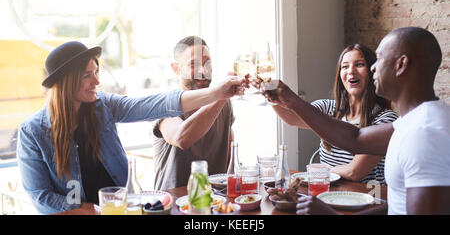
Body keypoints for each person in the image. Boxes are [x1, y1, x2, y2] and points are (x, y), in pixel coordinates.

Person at [16, 41, 246, 214]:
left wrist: (217, 93)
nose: (96, 81)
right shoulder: (32, 132)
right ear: (66, 83)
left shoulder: (102, 105)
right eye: (88, 75)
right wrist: (92, 209)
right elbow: (41, 196)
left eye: (96, 72)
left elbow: (152, 105)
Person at [262, 27, 450, 215]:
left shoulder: (425, 134)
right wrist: (289, 99)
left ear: (401, 65)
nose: (373, 67)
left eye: (380, 58)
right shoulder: (411, 122)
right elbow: (355, 138)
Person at [267, 44, 398, 184]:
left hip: (367, 199)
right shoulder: (328, 108)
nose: (351, 71)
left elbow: (354, 172)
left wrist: (318, 171)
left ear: (373, 71)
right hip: (327, 194)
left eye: (359, 65)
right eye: (345, 66)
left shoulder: (385, 120)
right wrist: (271, 96)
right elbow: (292, 119)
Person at [152, 36, 235, 190]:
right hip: (171, 206)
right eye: (193, 64)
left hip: (216, 202)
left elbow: (231, 154)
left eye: (207, 63)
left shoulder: (224, 103)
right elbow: (182, 139)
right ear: (175, 68)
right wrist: (221, 97)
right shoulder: (165, 104)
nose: (203, 71)